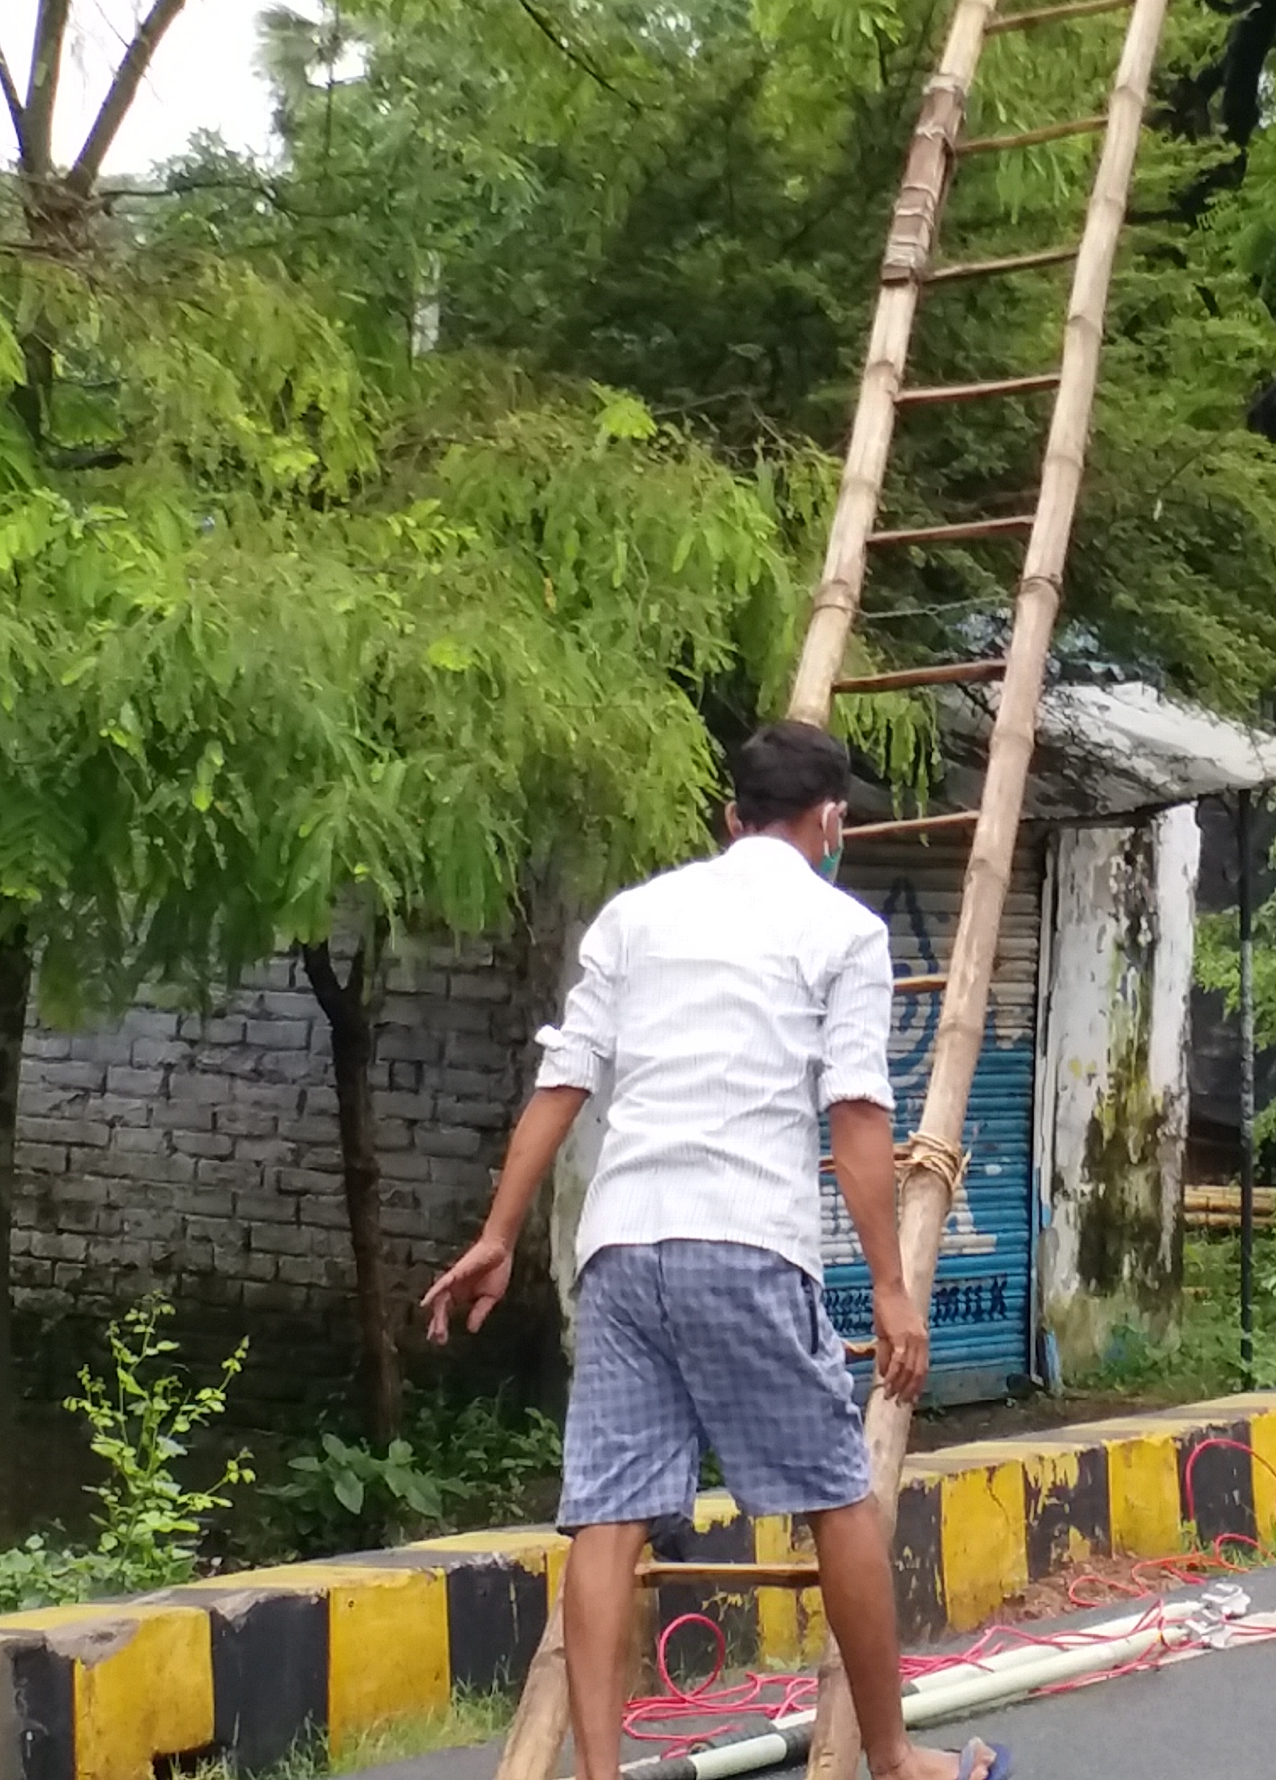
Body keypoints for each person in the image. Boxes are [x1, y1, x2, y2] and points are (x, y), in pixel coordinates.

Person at [421, 721, 1001, 1780]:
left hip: (622, 1245)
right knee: (837, 1496)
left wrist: (498, 1235)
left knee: (607, 1519)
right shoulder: (843, 930)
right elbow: (858, 1120)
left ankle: (597, 1777)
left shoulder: (636, 915)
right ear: (830, 820)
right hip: (743, 1238)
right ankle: (891, 1754)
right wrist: (888, 1285)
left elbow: (566, 1079)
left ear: (731, 817)